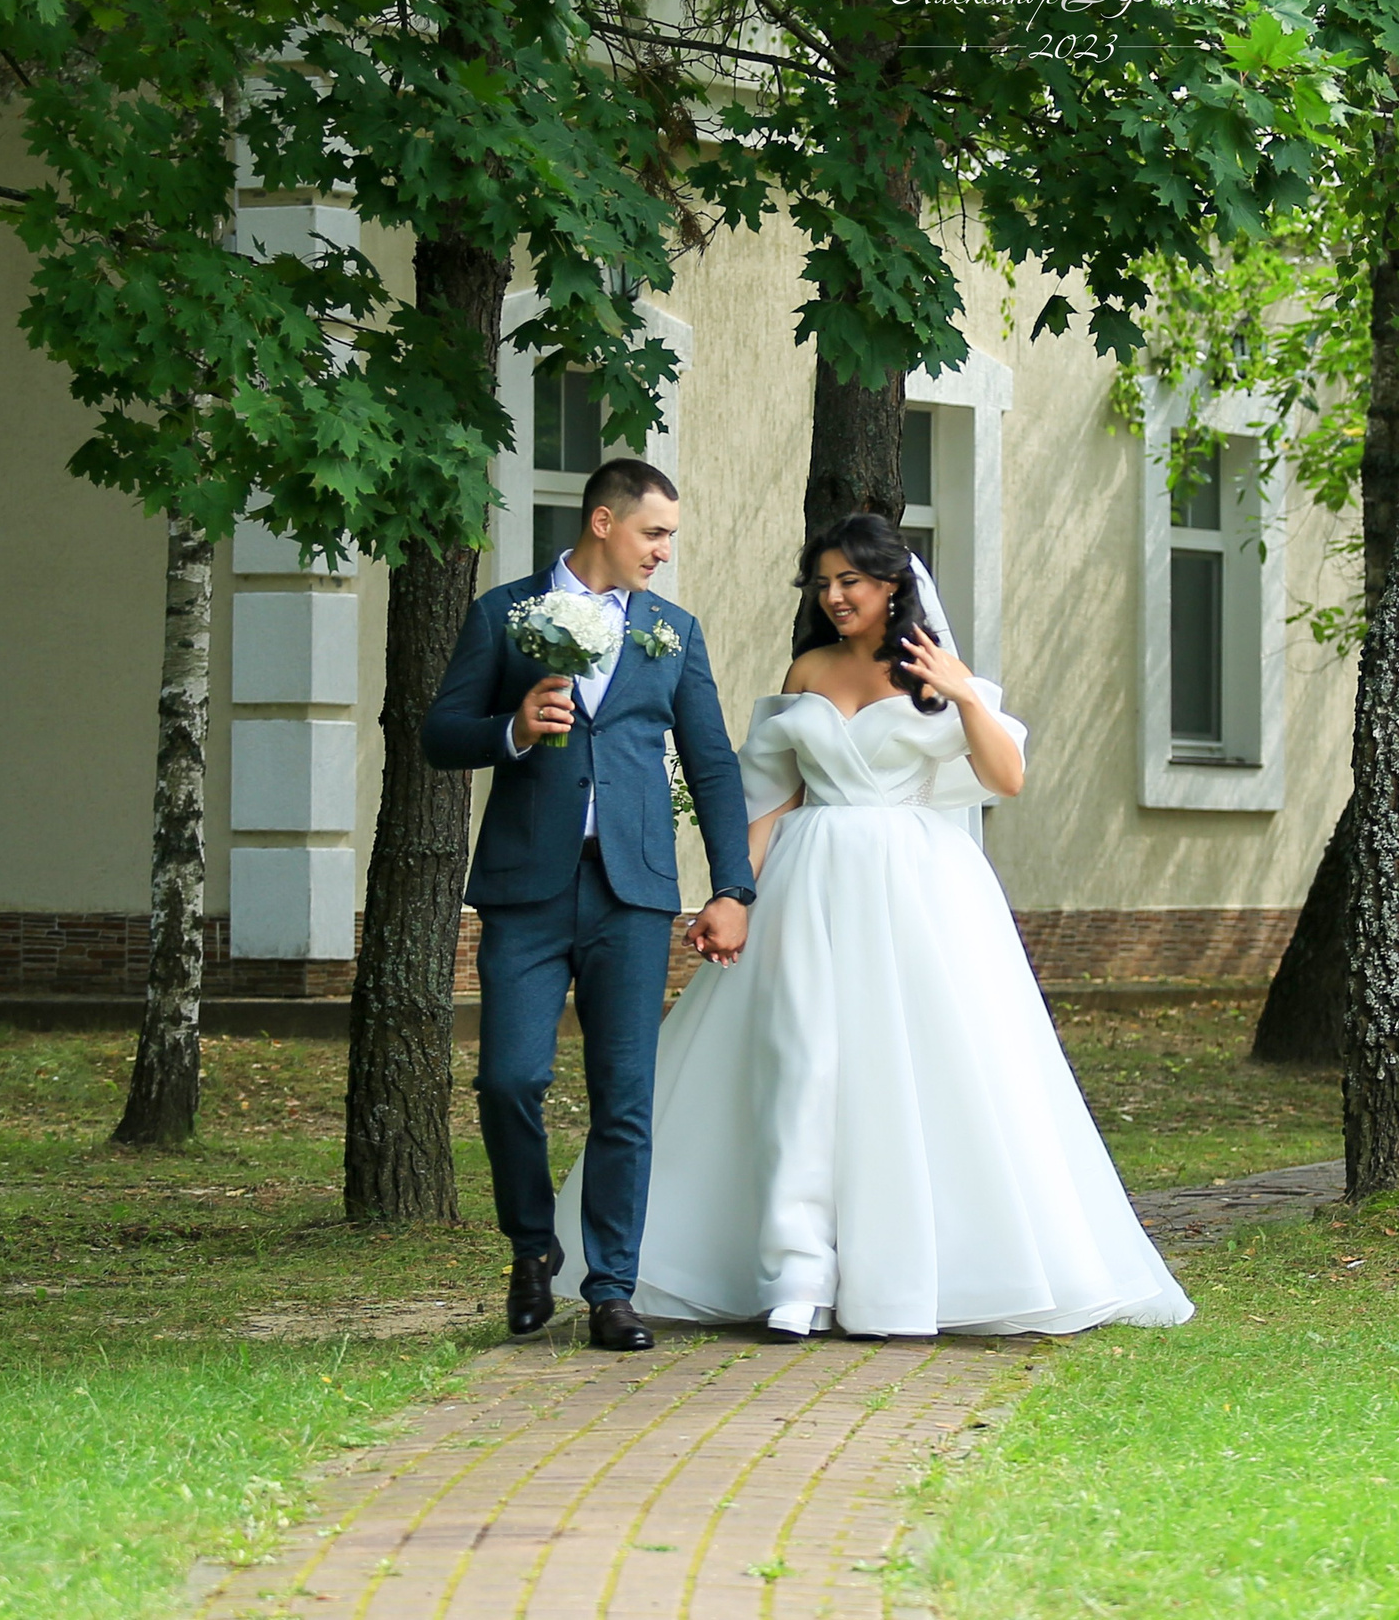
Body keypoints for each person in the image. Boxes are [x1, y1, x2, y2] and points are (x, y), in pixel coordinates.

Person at [550, 512, 1193, 1337]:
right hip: (807, 883)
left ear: (892, 585)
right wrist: (730, 894)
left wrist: (963, 694)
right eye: (822, 584)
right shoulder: (808, 668)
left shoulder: (938, 673)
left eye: (849, 581)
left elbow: (1007, 777)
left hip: (917, 890)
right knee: (799, 1067)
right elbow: (774, 799)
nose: (834, 595)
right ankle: (795, 1276)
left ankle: (899, 1279)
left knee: (911, 1072)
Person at [422, 459, 757, 1352]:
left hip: (634, 892)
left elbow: (713, 764)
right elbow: (437, 732)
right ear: (603, 521)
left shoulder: (672, 632)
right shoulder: (506, 614)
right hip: (526, 888)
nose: (664, 552)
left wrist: (733, 886)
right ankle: (533, 1247)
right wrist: (512, 729)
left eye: (671, 538)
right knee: (509, 1080)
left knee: (625, 1098)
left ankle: (611, 1287)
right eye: (654, 534)